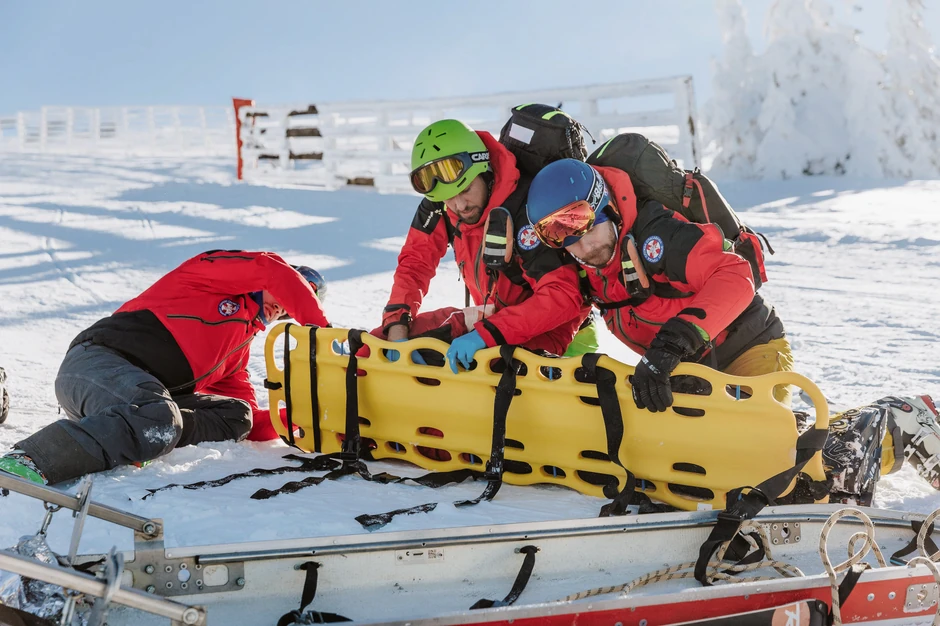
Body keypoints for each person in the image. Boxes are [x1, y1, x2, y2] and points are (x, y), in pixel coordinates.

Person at [0, 250, 328, 485]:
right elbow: (273, 270)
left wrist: (305, 417)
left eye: (288, 310)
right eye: (298, 291)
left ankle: (142, 432)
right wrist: (322, 335)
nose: (282, 308)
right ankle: (30, 458)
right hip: (95, 365)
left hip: (142, 399)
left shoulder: (237, 351)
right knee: (157, 415)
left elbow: (249, 420)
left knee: (235, 414)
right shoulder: (209, 277)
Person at [525, 158, 790, 412]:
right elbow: (563, 318)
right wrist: (529, 354)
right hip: (683, 371)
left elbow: (735, 273)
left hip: (747, 346)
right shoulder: (587, 267)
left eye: (584, 225)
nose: (583, 247)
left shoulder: (657, 235)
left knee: (759, 440)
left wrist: (673, 342)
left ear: (605, 206)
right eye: (561, 236)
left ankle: (826, 441)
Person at [379, 119, 593, 373]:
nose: (459, 205)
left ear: (486, 171)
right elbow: (415, 264)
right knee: (376, 345)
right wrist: (396, 327)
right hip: (493, 321)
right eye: (449, 198)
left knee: (489, 375)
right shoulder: (442, 203)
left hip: (561, 334)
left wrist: (486, 335)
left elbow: (562, 296)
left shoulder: (527, 209)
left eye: (466, 189)